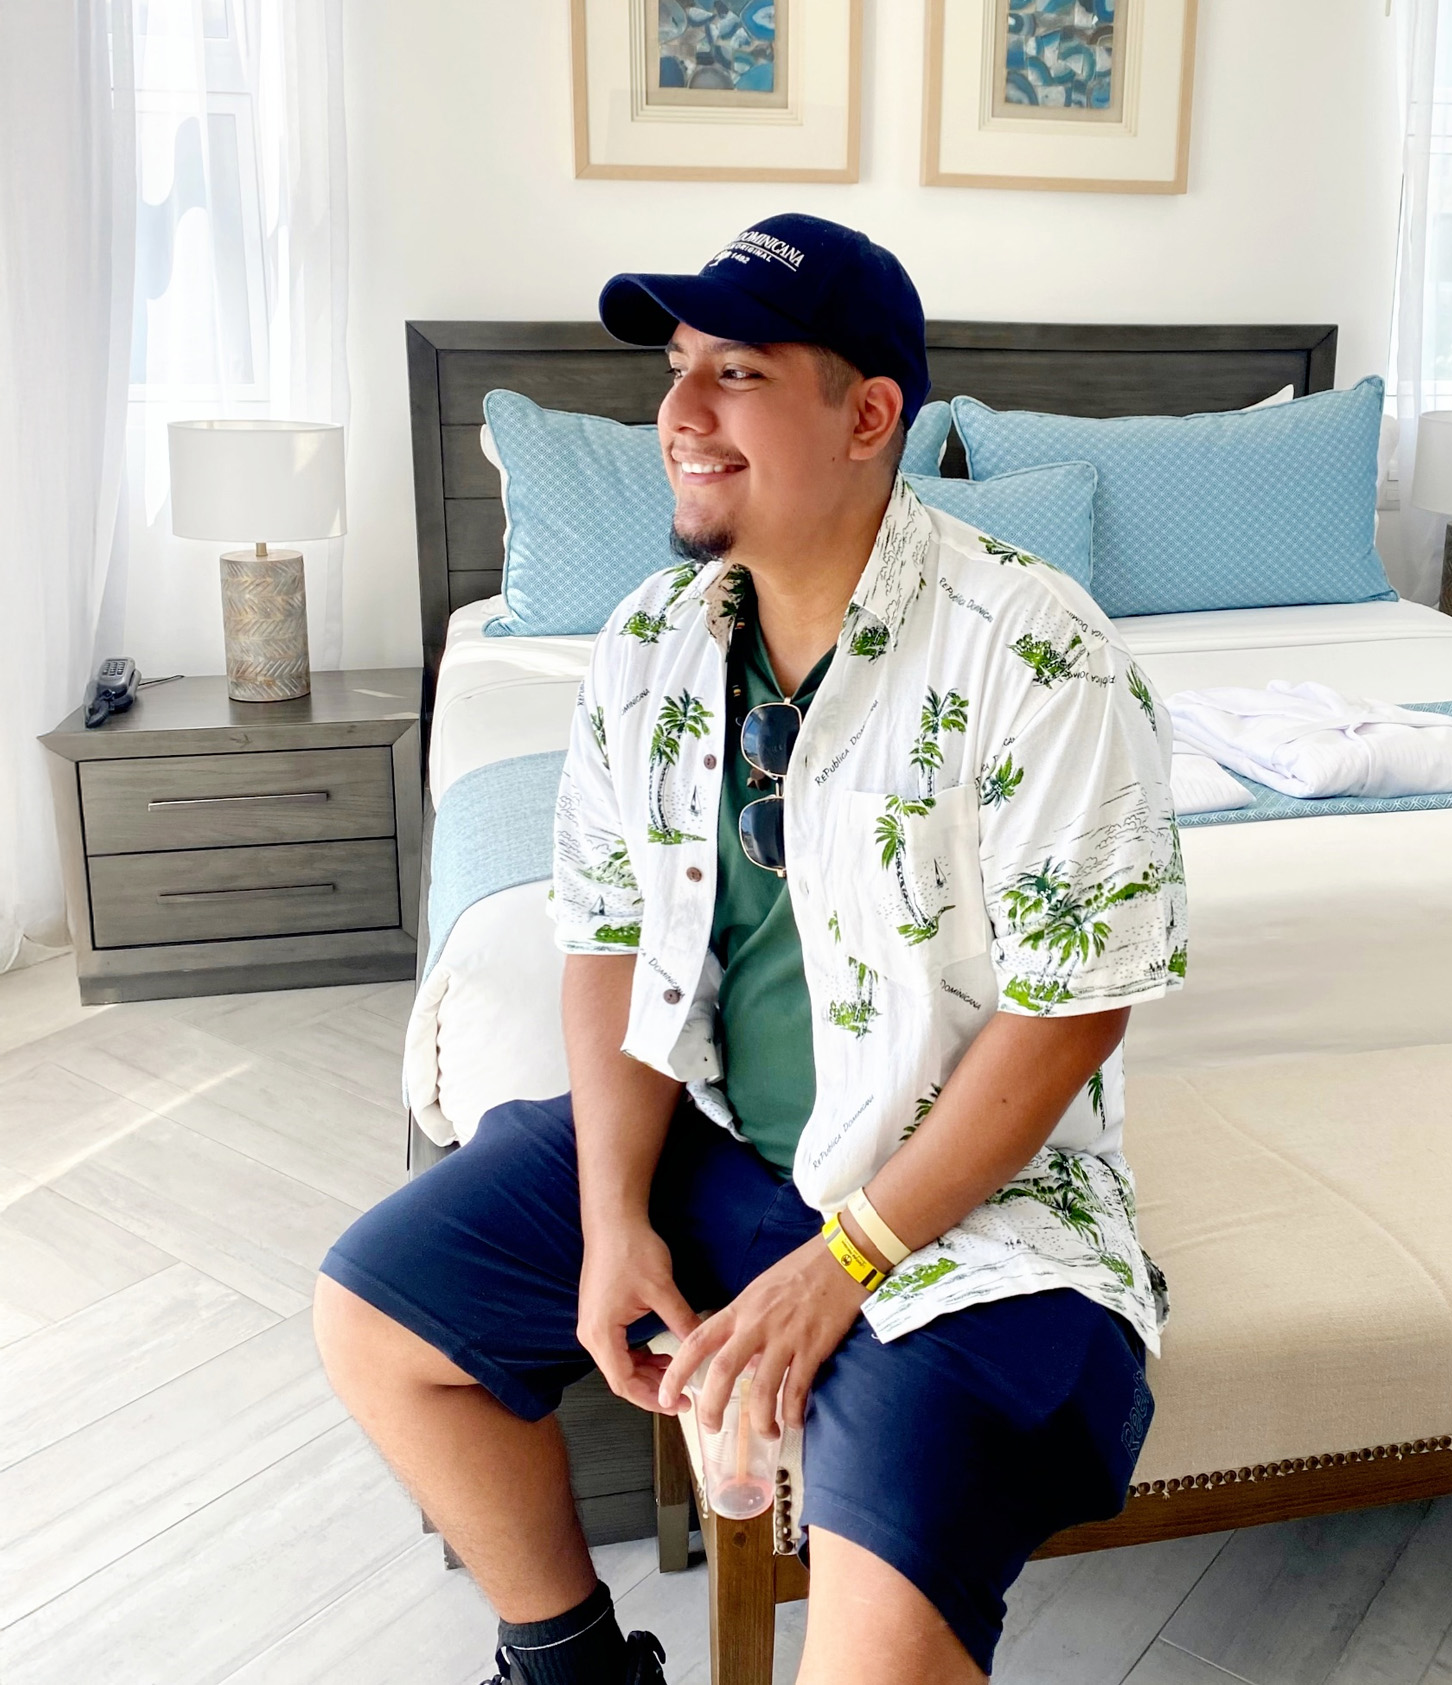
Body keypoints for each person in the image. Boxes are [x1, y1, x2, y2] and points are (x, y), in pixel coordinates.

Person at [314, 212, 1186, 1685]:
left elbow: (1069, 1014)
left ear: (865, 416)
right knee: (374, 1312)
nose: (676, 414)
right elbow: (599, 931)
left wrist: (843, 1259)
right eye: (673, 371)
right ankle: (570, 1668)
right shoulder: (647, 639)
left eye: (733, 372)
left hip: (970, 1219)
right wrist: (610, 1219)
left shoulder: (1040, 651)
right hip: (717, 1142)